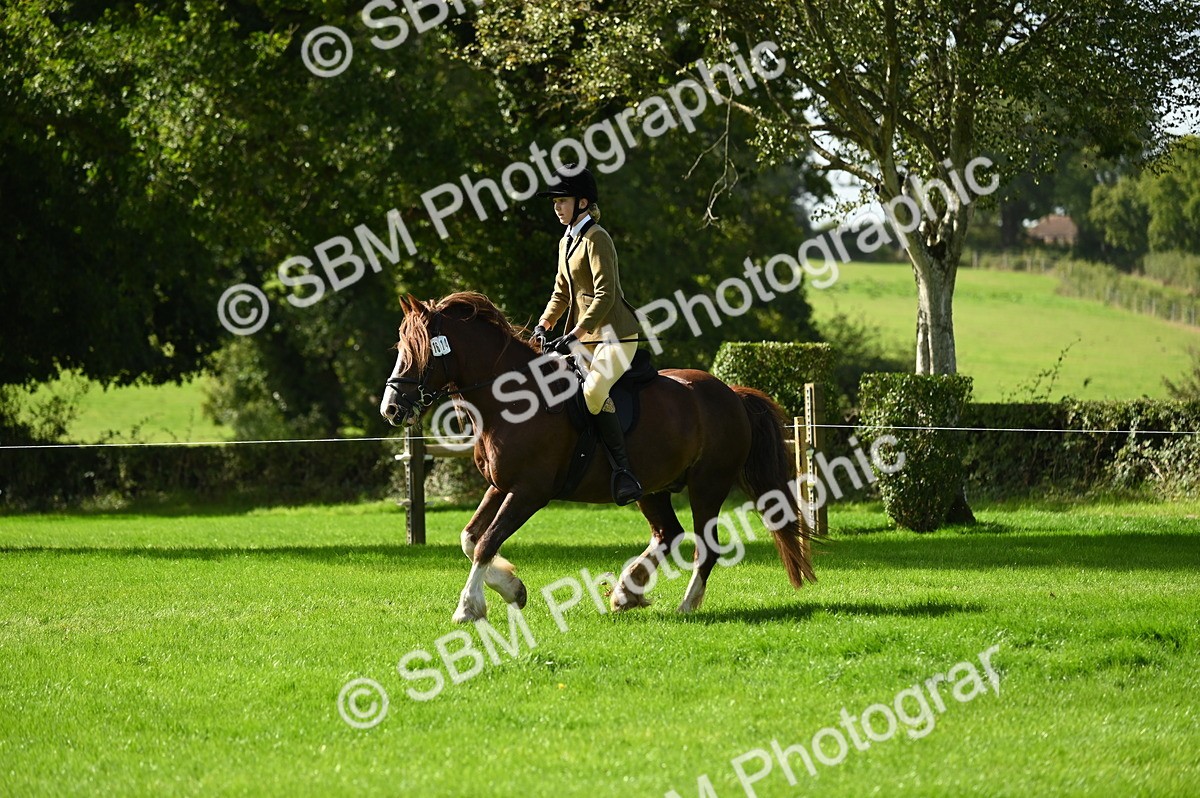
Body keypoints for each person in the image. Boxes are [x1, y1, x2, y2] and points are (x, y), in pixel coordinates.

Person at [534, 164, 644, 506]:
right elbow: (561, 293)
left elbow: (605, 294)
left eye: (562, 201)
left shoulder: (597, 238)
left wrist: (576, 333)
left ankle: (623, 471)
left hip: (615, 337)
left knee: (594, 392)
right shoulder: (566, 241)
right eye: (555, 202)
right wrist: (544, 324)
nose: (557, 207)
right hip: (584, 339)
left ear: (582, 202)